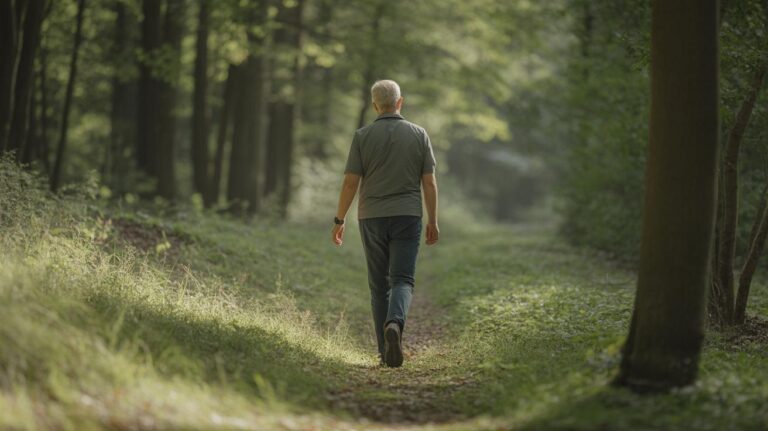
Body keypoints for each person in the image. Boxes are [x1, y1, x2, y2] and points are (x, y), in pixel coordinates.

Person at [331, 79, 439, 368]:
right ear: (399, 102)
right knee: (403, 279)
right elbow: (428, 182)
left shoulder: (362, 136)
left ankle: (383, 351)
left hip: (372, 217)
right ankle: (395, 324)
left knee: (379, 285)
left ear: (375, 105)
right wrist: (433, 220)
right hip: (408, 215)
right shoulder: (419, 134)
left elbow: (350, 182)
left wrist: (339, 219)